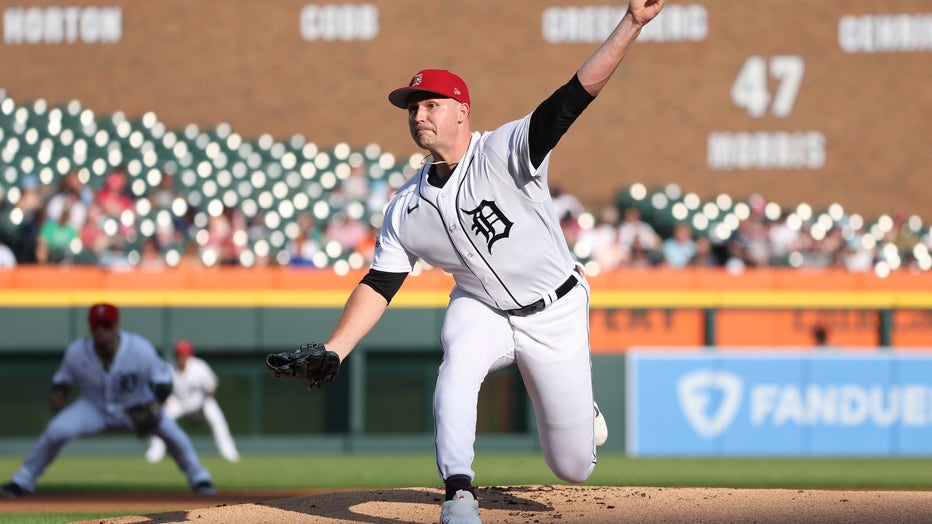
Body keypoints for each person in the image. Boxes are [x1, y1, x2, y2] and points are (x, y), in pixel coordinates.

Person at [271, 1, 664, 522]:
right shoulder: (404, 206)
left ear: (462, 110)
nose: (418, 115)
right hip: (480, 306)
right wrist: (337, 349)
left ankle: (580, 408)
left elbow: (576, 95)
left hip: (555, 311)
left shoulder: (505, 151)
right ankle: (459, 494)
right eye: (413, 108)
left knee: (573, 468)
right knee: (457, 363)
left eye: (430, 104)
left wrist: (631, 23)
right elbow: (381, 282)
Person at [0, 303, 216, 498]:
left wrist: (156, 404)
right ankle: (22, 481)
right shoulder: (77, 351)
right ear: (90, 327)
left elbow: (163, 382)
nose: (101, 329)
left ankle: (199, 478)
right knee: (56, 431)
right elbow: (62, 380)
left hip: (137, 405)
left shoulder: (139, 348)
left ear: (115, 325)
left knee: (173, 434)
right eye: (96, 324)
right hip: (93, 407)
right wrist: (59, 393)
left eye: (106, 324)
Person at [145, 339, 240, 464]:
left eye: (184, 354)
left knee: (217, 417)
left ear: (190, 355)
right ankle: (155, 452)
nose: (181, 357)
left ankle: (229, 452)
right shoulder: (169, 367)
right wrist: (164, 399)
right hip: (177, 401)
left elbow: (212, 387)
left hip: (199, 401)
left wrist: (204, 402)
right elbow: (162, 387)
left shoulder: (199, 367)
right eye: (179, 354)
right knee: (160, 418)